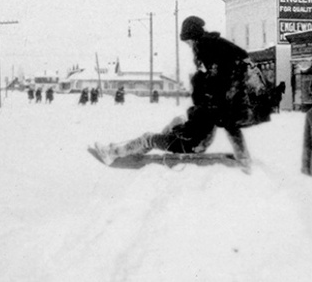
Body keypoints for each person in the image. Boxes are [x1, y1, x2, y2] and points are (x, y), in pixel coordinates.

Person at [94, 15, 265, 172]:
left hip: (190, 143)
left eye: (188, 41)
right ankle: (154, 145)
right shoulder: (211, 98)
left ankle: (114, 153)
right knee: (181, 122)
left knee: (149, 138)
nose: (189, 45)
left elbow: (204, 116)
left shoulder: (205, 51)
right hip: (198, 136)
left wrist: (182, 129)